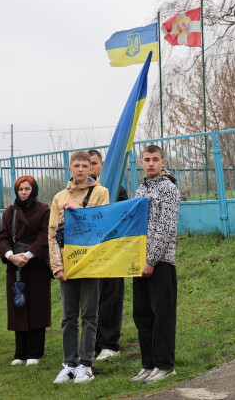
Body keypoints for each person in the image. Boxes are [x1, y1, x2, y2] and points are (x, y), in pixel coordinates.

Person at [47, 151, 109, 384]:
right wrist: (57, 266)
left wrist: (79, 210)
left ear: (91, 169)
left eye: (85, 165)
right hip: (68, 265)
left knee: (90, 315)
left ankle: (86, 364)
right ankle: (69, 364)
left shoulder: (101, 193)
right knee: (68, 317)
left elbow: (104, 224)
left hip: (91, 264)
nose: (81, 169)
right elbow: (52, 233)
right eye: (77, 165)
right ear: (69, 169)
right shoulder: (59, 197)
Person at [130, 144, 182, 384]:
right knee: (142, 315)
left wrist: (151, 260)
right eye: (147, 159)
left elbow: (166, 227)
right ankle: (148, 363)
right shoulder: (140, 189)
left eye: (155, 159)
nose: (151, 163)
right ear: (141, 163)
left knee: (162, 315)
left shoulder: (168, 189)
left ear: (163, 162)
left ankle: (165, 365)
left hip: (160, 262)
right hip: (138, 262)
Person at [0, 175, 52, 366]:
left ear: (33, 190)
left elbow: (45, 237)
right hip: (15, 266)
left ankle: (35, 352)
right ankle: (20, 352)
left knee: (36, 307)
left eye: (27, 189)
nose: (24, 192)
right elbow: (2, 236)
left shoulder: (44, 209)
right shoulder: (10, 211)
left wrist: (27, 256)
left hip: (36, 265)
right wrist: (11, 256)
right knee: (18, 306)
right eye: (21, 189)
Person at [89, 149, 129, 363]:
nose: (91, 167)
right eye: (87, 164)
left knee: (111, 299)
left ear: (102, 165)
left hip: (112, 253)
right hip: (88, 256)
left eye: (94, 163)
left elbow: (123, 217)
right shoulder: (77, 192)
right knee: (90, 301)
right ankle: (93, 343)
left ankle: (110, 343)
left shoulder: (115, 190)